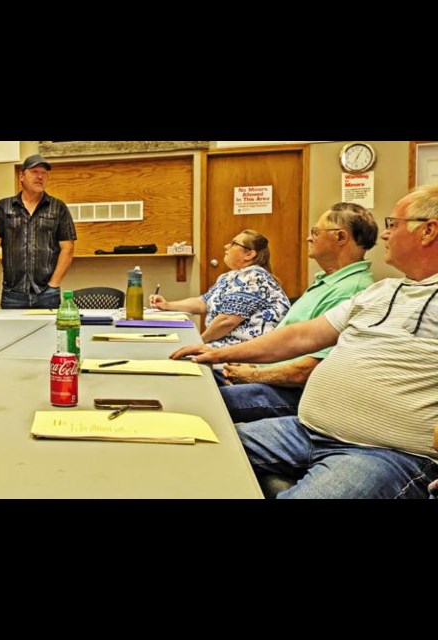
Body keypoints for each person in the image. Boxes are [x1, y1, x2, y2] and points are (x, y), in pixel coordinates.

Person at [170, 185, 438, 499]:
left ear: (428, 231)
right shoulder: (380, 291)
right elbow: (301, 336)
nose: (385, 235)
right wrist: (218, 353)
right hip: (305, 430)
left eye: (393, 224)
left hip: (383, 453)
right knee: (185, 448)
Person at [216, 203, 377, 422]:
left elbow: (308, 370)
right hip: (268, 374)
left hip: (293, 392)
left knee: (204, 401)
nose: (310, 238)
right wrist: (250, 365)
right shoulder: (329, 281)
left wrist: (251, 374)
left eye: (316, 232)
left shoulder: (351, 291)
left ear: (340, 237)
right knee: (196, 376)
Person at [149, 229, 289, 347]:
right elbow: (203, 302)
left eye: (233, 243)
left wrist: (198, 343)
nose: (226, 246)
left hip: (242, 352)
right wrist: (167, 305)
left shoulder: (254, 277)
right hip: (224, 345)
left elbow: (227, 321)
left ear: (249, 254)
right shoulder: (229, 277)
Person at [0, 153, 77, 309]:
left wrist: (54, 283)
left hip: (47, 293)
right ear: (21, 176)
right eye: (34, 172)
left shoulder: (58, 207)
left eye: (44, 173)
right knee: (13, 334)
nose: (40, 177)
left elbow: (68, 248)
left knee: (49, 334)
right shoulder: (4, 207)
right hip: (13, 293)